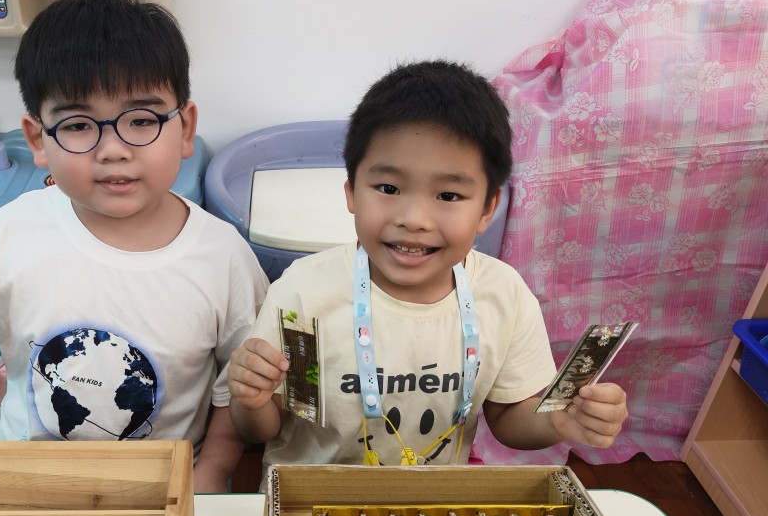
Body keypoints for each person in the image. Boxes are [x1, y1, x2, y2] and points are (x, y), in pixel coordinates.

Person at [0, 0, 268, 492]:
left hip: (156, 484)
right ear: (37, 140)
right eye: (78, 125)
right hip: (21, 470)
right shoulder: (8, 231)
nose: (113, 149)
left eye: (141, 120)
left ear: (185, 128)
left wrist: (212, 471)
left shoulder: (223, 257)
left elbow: (232, 389)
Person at [228, 59, 627, 472]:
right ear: (351, 192)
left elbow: (509, 419)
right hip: (309, 497)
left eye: (448, 196)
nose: (414, 219)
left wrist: (559, 421)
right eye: (388, 188)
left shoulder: (503, 296)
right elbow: (268, 427)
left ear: (487, 208)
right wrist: (251, 400)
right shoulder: (304, 297)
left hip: (432, 502)